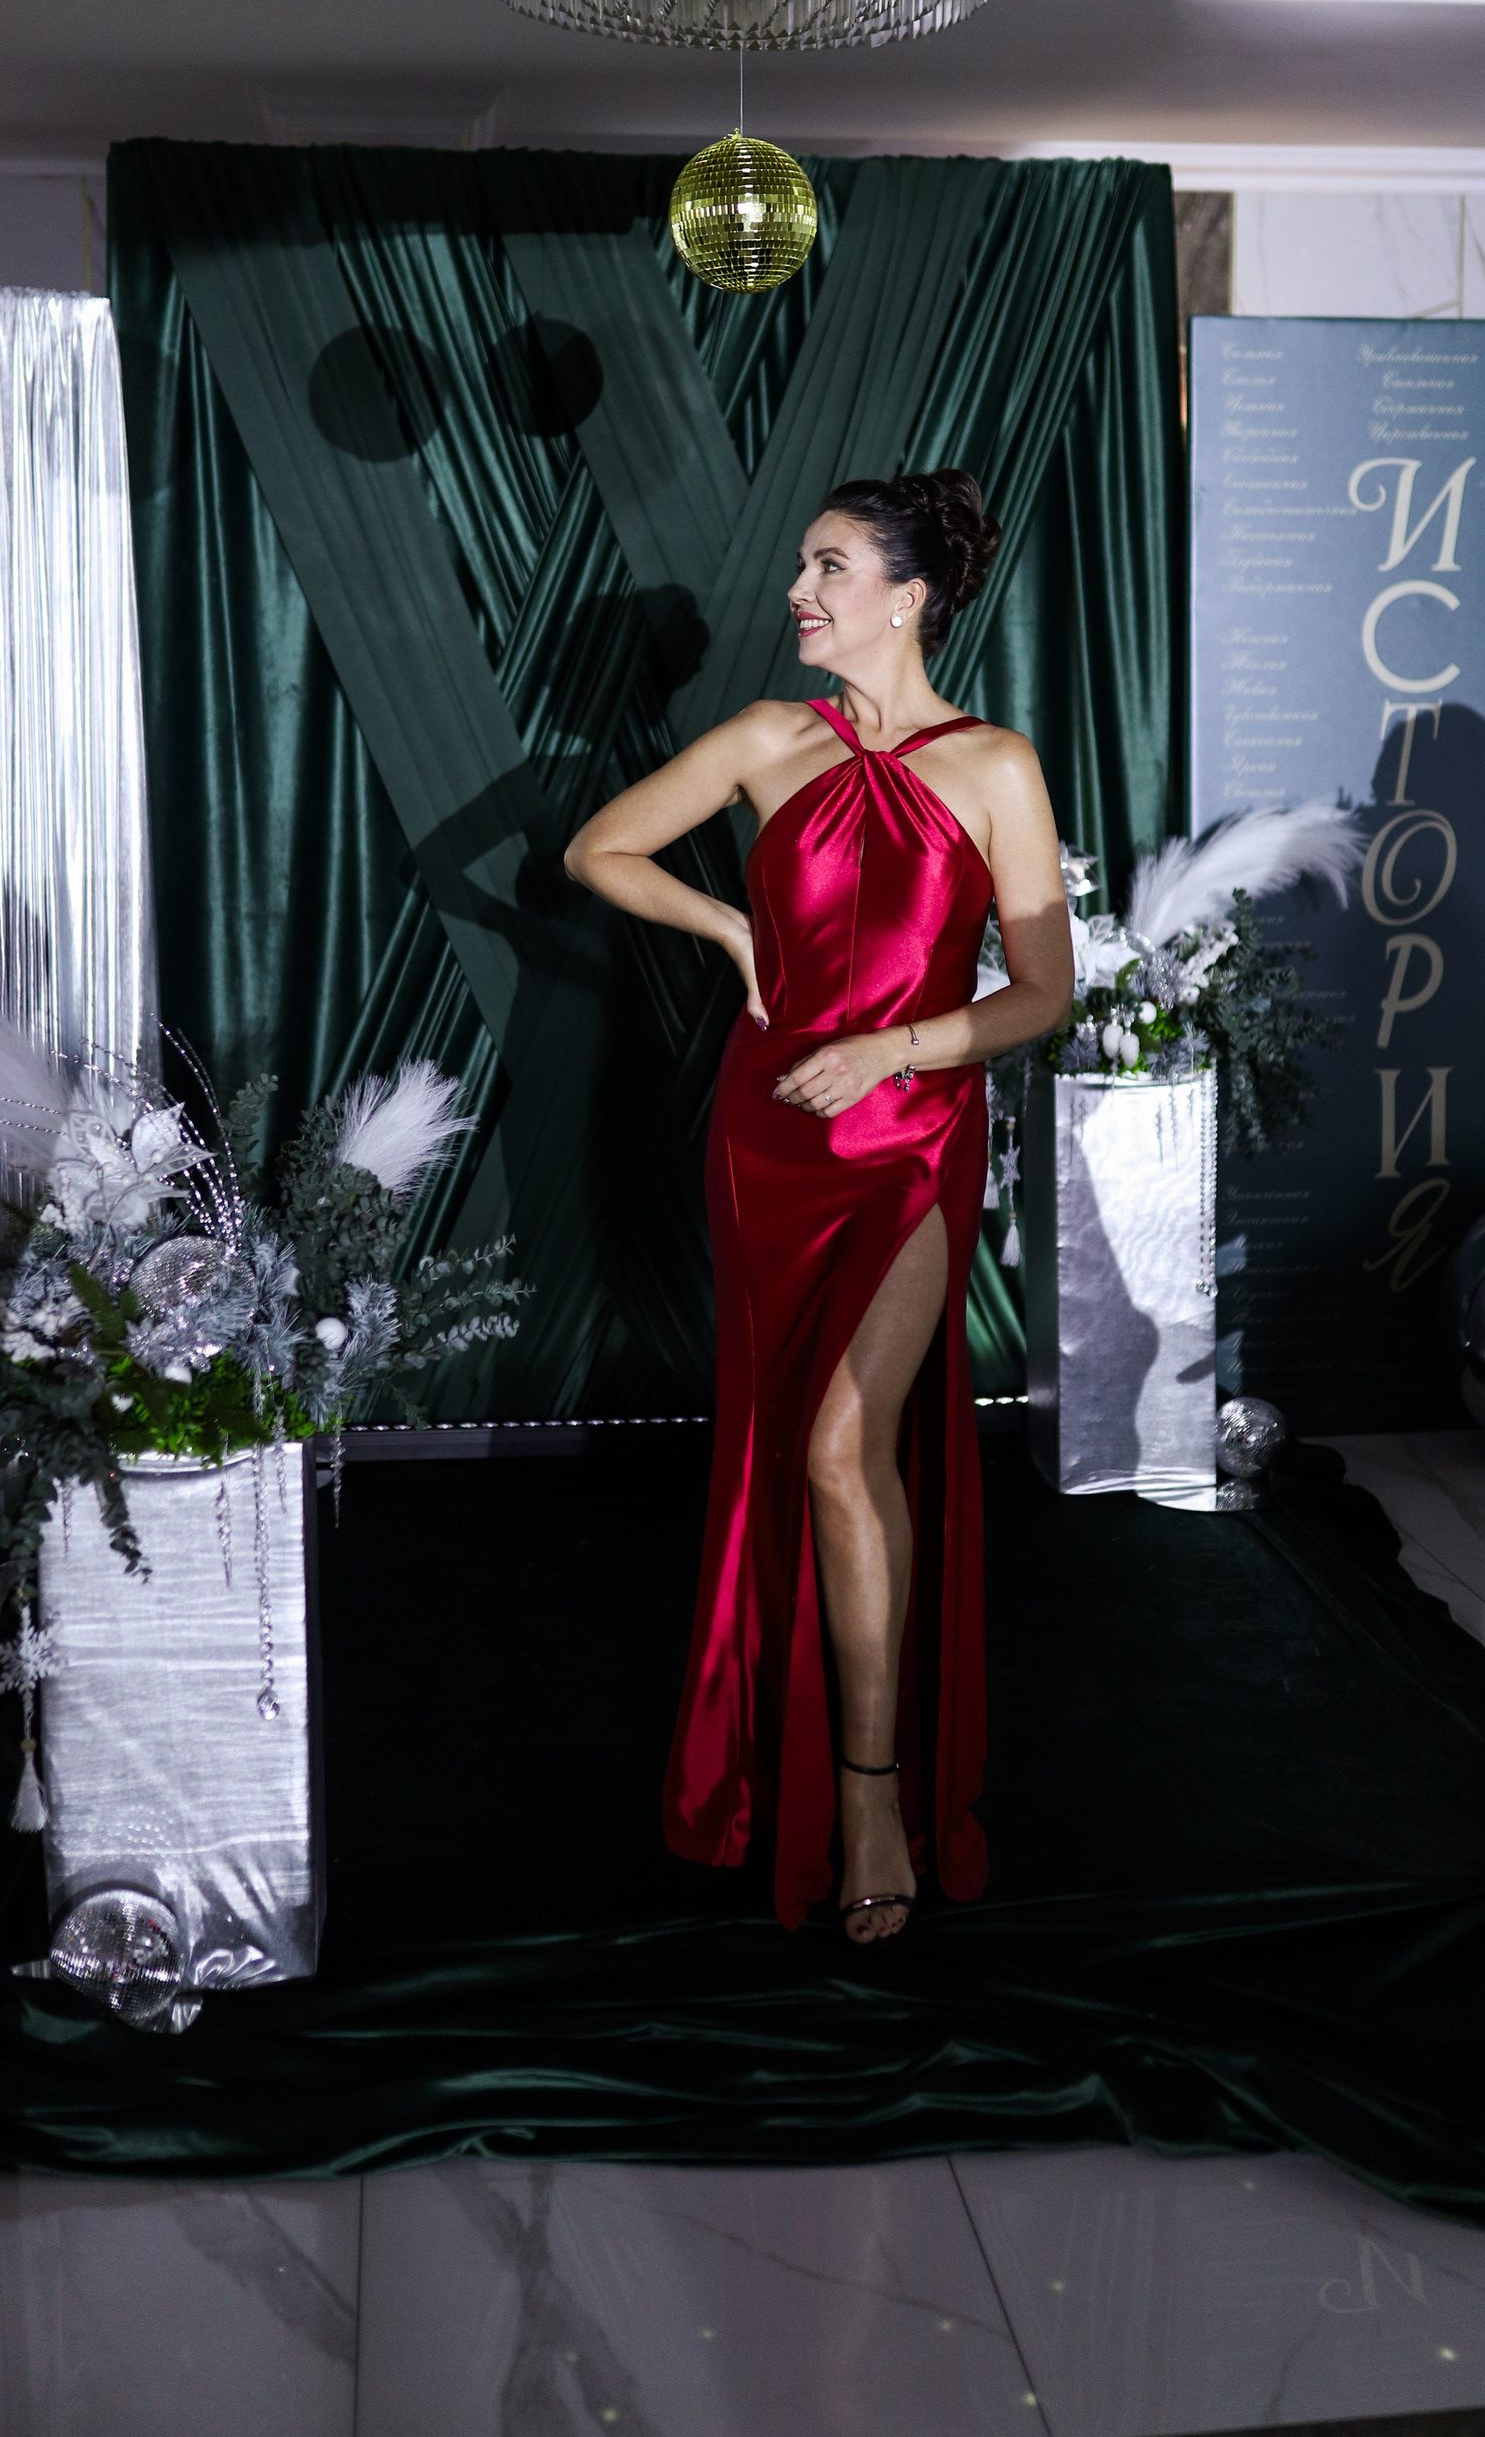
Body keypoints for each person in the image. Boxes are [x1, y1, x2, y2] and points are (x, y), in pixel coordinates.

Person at [565, 472, 1074, 1942]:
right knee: (787, 1446)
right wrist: (728, 923)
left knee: (848, 1446)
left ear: (908, 596)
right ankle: (800, 1744)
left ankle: (869, 1791)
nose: (800, 589)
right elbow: (596, 850)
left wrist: (893, 1049)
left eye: (830, 566)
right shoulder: (766, 740)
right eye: (803, 563)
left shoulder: (996, 765)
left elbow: (1042, 993)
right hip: (768, 1140)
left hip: (911, 1138)